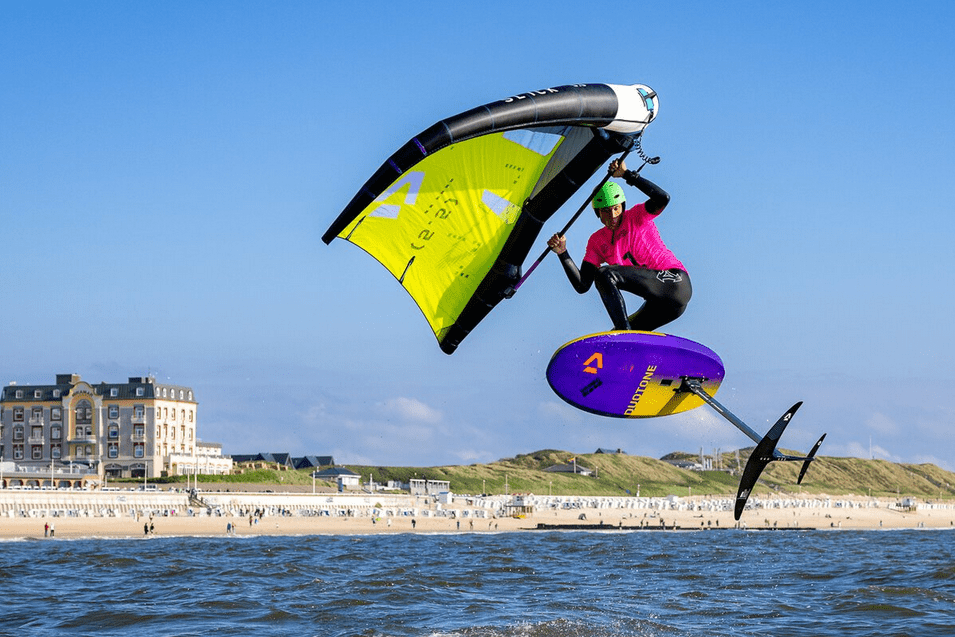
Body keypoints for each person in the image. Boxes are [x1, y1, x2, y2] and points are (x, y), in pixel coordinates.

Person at [548, 158, 691, 332]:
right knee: (616, 337)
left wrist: (626, 175)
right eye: (606, 211)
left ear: (622, 206)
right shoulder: (597, 241)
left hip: (676, 284)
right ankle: (632, 349)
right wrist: (563, 253)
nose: (613, 215)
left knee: (606, 274)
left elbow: (663, 198)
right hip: (659, 305)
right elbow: (582, 285)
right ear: (597, 213)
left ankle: (626, 334)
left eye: (616, 208)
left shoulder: (637, 216)